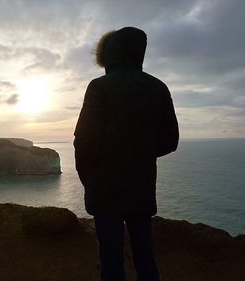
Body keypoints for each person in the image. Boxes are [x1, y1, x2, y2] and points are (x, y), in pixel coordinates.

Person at [74, 27, 179, 281]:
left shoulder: (99, 87)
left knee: (111, 260)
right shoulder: (159, 87)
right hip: (141, 187)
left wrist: (91, 182)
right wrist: (141, 153)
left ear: (110, 54)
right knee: (145, 256)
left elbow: (84, 143)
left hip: (105, 190)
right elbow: (170, 141)